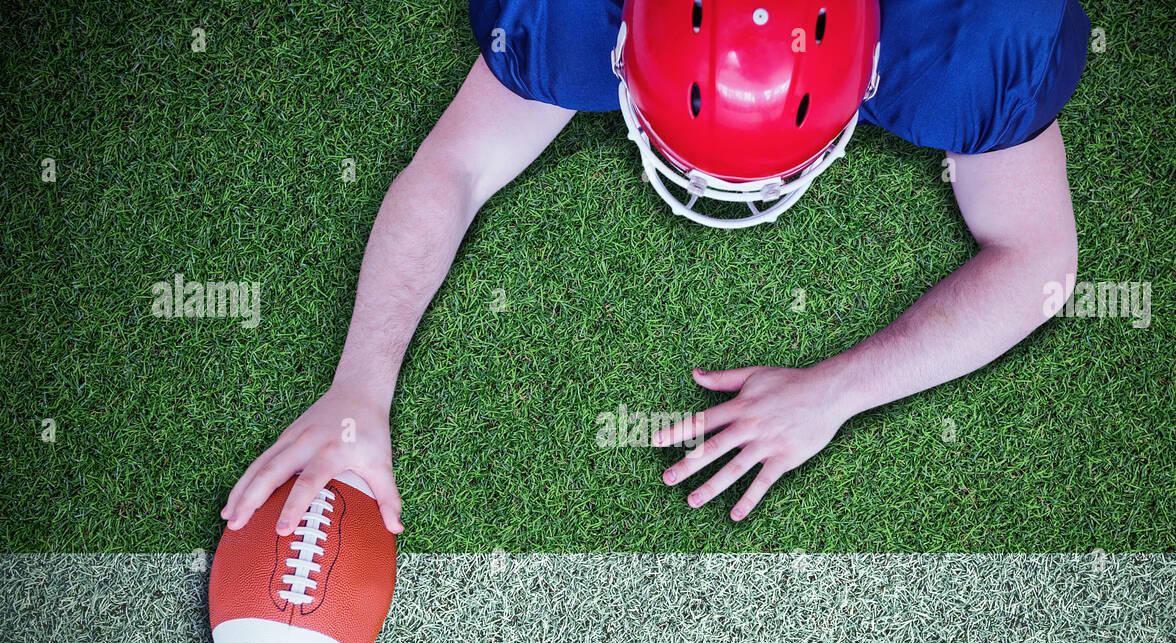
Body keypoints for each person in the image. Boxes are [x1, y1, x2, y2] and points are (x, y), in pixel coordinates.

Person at [222, 0, 1090, 532]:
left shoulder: (976, 31)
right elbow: (453, 171)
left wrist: (839, 391)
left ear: (869, 62)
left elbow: (1043, 265)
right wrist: (357, 389)